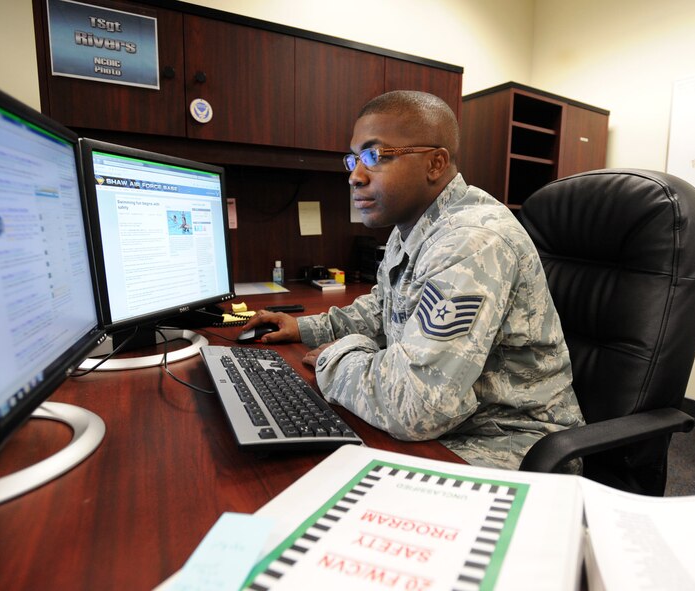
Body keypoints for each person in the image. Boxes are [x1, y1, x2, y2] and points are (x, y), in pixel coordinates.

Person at [244, 90, 584, 471]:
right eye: (354, 159)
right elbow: (384, 308)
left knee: (307, 476)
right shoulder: (412, 225)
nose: (355, 176)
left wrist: (336, 357)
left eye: (374, 156)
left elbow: (417, 405)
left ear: (435, 163)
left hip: (511, 442)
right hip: (453, 425)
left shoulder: (472, 242)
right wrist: (307, 328)